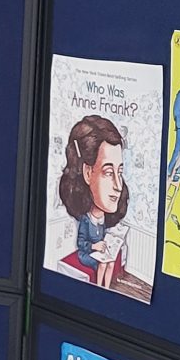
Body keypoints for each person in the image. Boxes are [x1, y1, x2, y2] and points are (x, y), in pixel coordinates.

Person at [57, 113, 130, 290]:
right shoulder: (85, 219)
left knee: (109, 261)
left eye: (119, 172)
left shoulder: (103, 218)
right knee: (102, 262)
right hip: (89, 253)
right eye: (108, 172)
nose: (118, 185)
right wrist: (95, 246)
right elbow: (82, 244)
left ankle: (105, 289)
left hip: (100, 251)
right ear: (88, 173)